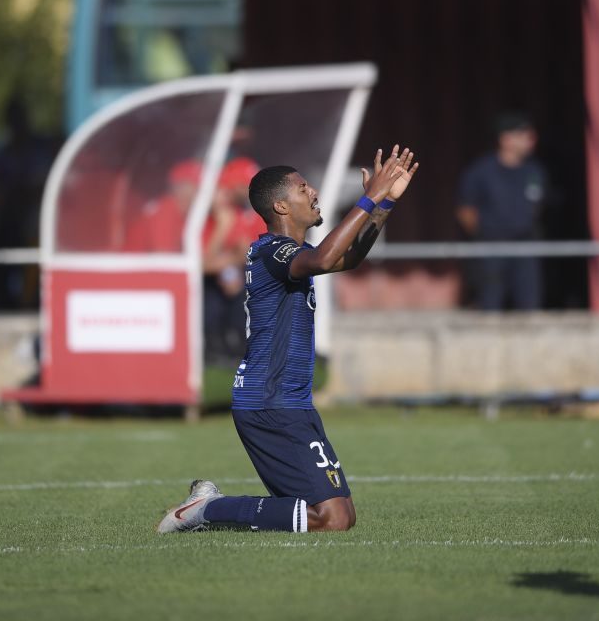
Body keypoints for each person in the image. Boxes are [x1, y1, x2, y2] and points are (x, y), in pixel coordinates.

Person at [158, 145, 418, 533]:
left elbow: (349, 257)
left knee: (340, 514)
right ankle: (204, 510)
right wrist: (370, 196)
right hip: (268, 401)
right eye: (302, 188)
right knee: (334, 520)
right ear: (280, 207)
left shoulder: (295, 253)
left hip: (290, 401)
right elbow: (329, 258)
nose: (313, 192)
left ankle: (212, 508)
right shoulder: (271, 251)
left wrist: (385, 205)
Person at [456, 112, 547, 310]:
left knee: (529, 306)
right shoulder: (481, 172)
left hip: (526, 248)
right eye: (522, 135)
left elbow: (539, 206)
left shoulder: (534, 171)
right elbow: (465, 211)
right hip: (491, 248)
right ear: (505, 139)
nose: (529, 141)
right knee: (490, 305)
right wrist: (484, 234)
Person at [202, 158, 267, 362]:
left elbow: (247, 251)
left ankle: (238, 344)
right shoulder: (209, 215)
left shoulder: (240, 213)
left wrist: (229, 266)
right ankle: (215, 346)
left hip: (229, 275)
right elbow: (202, 265)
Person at [124, 159, 201, 252]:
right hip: (130, 264)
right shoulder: (166, 210)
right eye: (196, 185)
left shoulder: (184, 213)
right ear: (181, 187)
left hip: (149, 263)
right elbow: (163, 256)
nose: (200, 191)